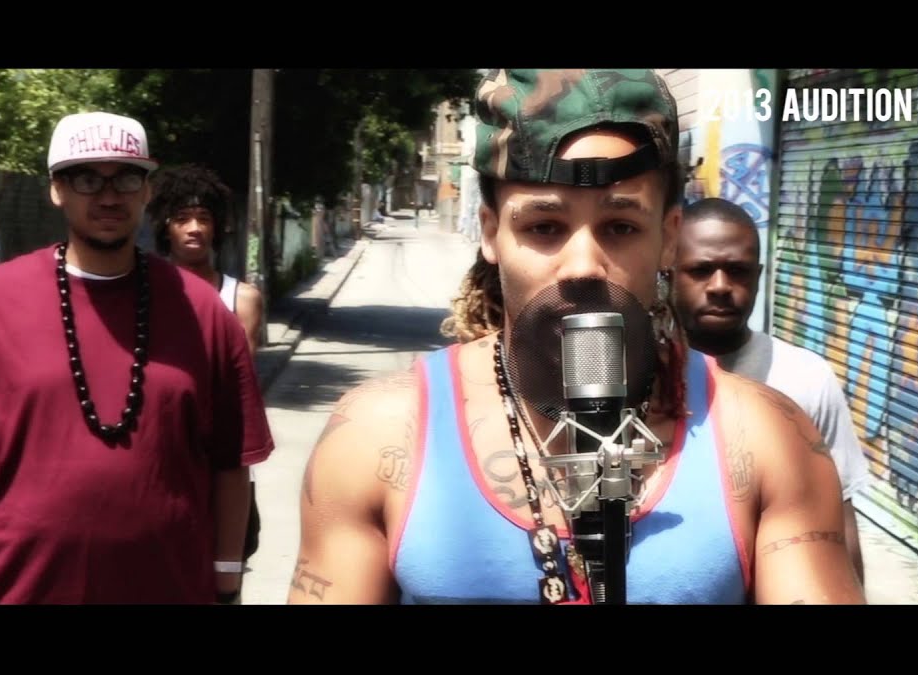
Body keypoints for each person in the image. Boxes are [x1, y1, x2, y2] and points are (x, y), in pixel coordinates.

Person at [289, 69, 865, 605]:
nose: (584, 265)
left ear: (668, 238)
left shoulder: (767, 439)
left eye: (620, 226)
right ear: (491, 233)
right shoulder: (376, 436)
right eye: (545, 227)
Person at [0, 111, 274, 604]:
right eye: (87, 179)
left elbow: (230, 462)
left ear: (146, 190)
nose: (109, 196)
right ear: (56, 189)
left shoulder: (204, 313)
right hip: (5, 592)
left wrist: (226, 581)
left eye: (126, 178)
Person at [670, 196, 870, 583]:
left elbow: (839, 521)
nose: (720, 286)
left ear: (758, 276)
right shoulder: (640, 381)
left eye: (738, 271)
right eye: (700, 270)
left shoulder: (806, 378)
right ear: (669, 272)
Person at [149, 163, 264, 565]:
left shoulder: (241, 299)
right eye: (182, 218)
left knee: (226, 569)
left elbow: (237, 388)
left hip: (220, 463)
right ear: (165, 227)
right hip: (157, 461)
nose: (194, 228)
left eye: (203, 218)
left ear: (217, 227)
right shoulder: (142, 296)